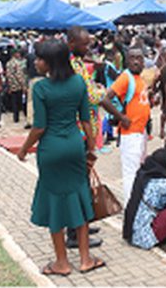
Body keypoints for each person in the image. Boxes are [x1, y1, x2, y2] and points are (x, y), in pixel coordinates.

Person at [17, 39, 105, 276]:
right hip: (75, 146)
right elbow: (86, 119)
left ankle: (62, 263)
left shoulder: (41, 88)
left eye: (39, 58)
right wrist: (91, 148)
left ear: (51, 63)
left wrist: (24, 149)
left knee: (56, 203)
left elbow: (39, 128)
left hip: (51, 150)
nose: (36, 62)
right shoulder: (78, 82)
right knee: (80, 198)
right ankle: (86, 259)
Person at [101, 48, 151, 205]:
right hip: (131, 134)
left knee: (138, 170)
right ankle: (131, 206)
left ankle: (137, 203)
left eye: (139, 58)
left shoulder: (139, 78)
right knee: (131, 173)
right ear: (126, 61)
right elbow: (104, 99)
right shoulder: (125, 77)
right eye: (132, 58)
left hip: (139, 132)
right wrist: (121, 117)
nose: (136, 61)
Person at [5, 48, 28, 123]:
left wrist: (9, 85)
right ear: (15, 54)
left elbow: (8, 75)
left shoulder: (8, 63)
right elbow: (19, 75)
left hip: (12, 85)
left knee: (14, 102)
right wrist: (23, 85)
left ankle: (16, 117)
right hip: (18, 85)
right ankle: (25, 115)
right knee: (21, 101)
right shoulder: (17, 63)